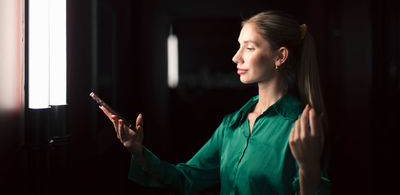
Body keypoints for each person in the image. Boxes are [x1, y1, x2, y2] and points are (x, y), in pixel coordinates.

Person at [100, 11, 331, 194]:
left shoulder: (302, 125)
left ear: (280, 56)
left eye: (249, 48)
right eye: (239, 46)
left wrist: (309, 170)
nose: (236, 57)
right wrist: (138, 151)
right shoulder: (232, 125)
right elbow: (185, 179)